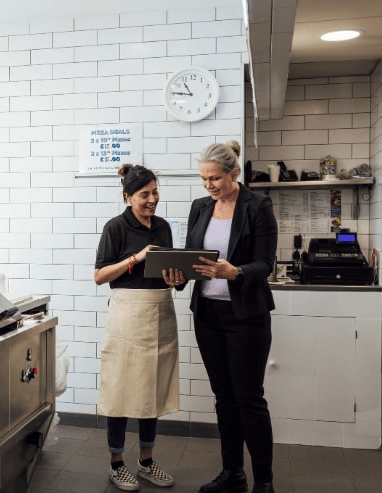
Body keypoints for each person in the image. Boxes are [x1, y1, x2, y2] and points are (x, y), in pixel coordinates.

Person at [166, 141, 277, 493]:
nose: (209, 185)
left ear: (234, 173)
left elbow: (266, 264)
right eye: (204, 179)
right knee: (224, 398)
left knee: (249, 399)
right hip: (208, 315)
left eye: (214, 178)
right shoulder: (201, 207)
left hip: (246, 316)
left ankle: (264, 481)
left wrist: (236, 272)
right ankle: (233, 474)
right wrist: (179, 275)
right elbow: (192, 257)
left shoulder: (258, 205)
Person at [94, 163, 184, 491]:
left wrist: (179, 279)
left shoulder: (163, 227)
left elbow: (172, 275)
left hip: (161, 313)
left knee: (152, 389)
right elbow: (100, 275)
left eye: (155, 192)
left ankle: (146, 461)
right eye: (144, 194)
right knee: (121, 390)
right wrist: (136, 258)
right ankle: (117, 463)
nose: (151, 199)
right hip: (127, 316)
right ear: (127, 196)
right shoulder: (115, 227)